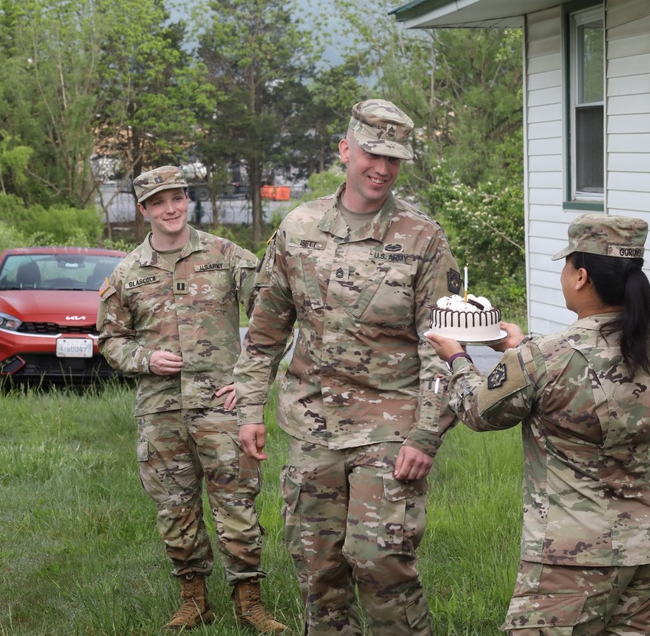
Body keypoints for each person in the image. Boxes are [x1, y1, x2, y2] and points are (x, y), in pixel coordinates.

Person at [233, 99, 462, 635]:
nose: (382, 169)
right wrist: (248, 408)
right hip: (311, 428)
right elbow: (267, 328)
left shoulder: (422, 239)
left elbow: (443, 345)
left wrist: (427, 435)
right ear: (346, 150)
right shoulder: (299, 227)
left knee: (380, 561)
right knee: (317, 565)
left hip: (391, 427)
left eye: (394, 159)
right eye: (372, 154)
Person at [427, 213, 650, 636]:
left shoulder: (547, 356)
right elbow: (584, 369)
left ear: (581, 276)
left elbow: (477, 410)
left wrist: (456, 359)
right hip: (649, 549)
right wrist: (518, 347)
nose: (563, 274)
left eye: (566, 266)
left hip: (572, 556)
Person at [97, 165, 288, 633]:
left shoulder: (226, 256)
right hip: (160, 412)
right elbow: (109, 339)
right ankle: (194, 600)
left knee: (237, 505)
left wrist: (249, 385)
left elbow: (275, 314)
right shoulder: (127, 274)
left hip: (221, 408)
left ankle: (250, 604)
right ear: (144, 210)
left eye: (177, 197)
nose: (171, 208)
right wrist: (145, 358)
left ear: (187, 199)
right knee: (175, 510)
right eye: (159, 202)